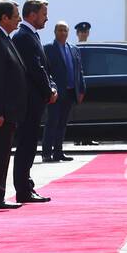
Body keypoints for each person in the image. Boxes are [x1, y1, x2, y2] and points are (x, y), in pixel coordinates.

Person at [0, 0, 29, 210]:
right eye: (16, 15)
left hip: (8, 111)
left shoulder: (3, 37)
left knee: (2, 154)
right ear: (4, 18)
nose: (19, 19)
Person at [11, 0, 58, 203]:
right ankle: (23, 189)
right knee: (25, 145)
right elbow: (34, 69)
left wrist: (52, 86)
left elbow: (44, 68)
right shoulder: (23, 37)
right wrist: (48, 90)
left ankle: (26, 186)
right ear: (32, 14)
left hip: (36, 100)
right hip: (28, 100)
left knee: (30, 144)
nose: (46, 19)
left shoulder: (32, 35)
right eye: (44, 14)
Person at [43, 19, 85, 163]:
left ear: (68, 33)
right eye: (60, 30)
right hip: (55, 92)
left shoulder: (74, 49)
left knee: (62, 123)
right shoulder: (48, 49)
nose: (62, 32)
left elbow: (79, 71)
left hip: (70, 91)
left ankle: (58, 152)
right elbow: (45, 71)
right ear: (55, 32)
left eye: (65, 30)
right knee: (52, 122)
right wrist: (50, 89)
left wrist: (81, 90)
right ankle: (47, 153)